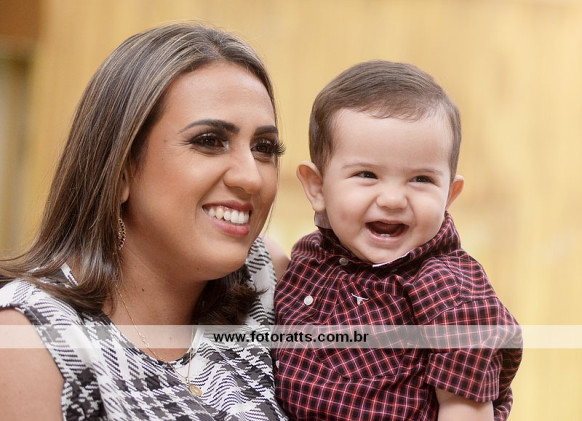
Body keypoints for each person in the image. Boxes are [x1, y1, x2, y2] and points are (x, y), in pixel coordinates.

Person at [0, 22, 290, 420]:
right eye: (209, 141)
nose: (252, 177)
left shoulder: (264, 277)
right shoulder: (31, 337)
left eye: (264, 147)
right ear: (120, 169)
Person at [274, 60, 522, 420]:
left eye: (421, 179)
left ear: (449, 195)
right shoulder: (310, 257)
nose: (392, 199)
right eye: (367, 174)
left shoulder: (450, 293)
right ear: (318, 187)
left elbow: (465, 411)